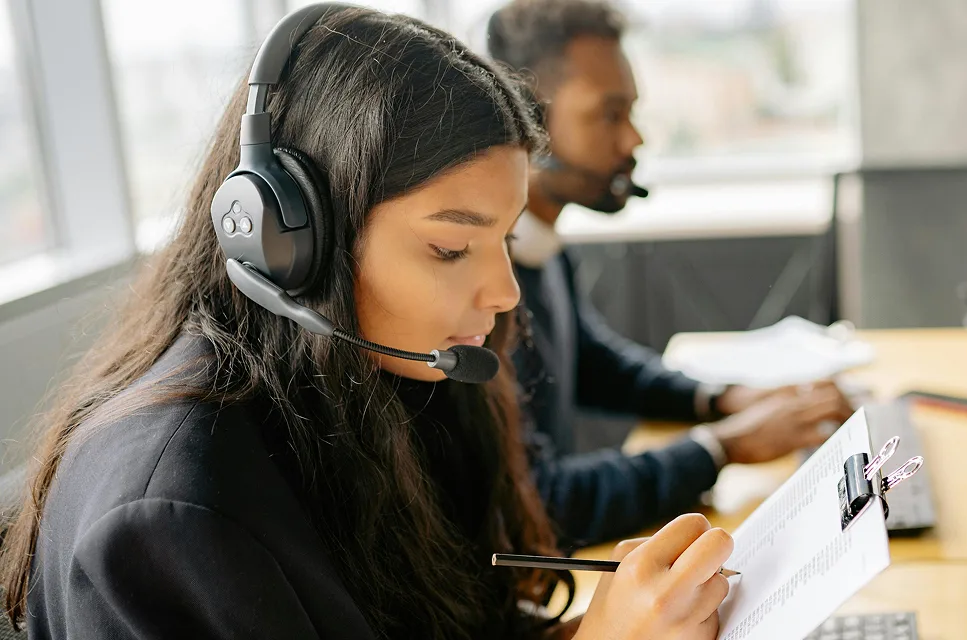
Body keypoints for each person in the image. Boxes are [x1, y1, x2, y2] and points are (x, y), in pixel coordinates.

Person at [0, 6, 732, 638]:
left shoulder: (393, 379)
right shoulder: (174, 514)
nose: (506, 292)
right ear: (293, 243)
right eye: (452, 247)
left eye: (503, 239)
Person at [487, 0, 854, 548]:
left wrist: (722, 399)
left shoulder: (542, 247)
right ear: (529, 123)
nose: (633, 140)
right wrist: (721, 447)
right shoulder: (486, 291)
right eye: (610, 114)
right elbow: (541, 501)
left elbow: (592, 362)